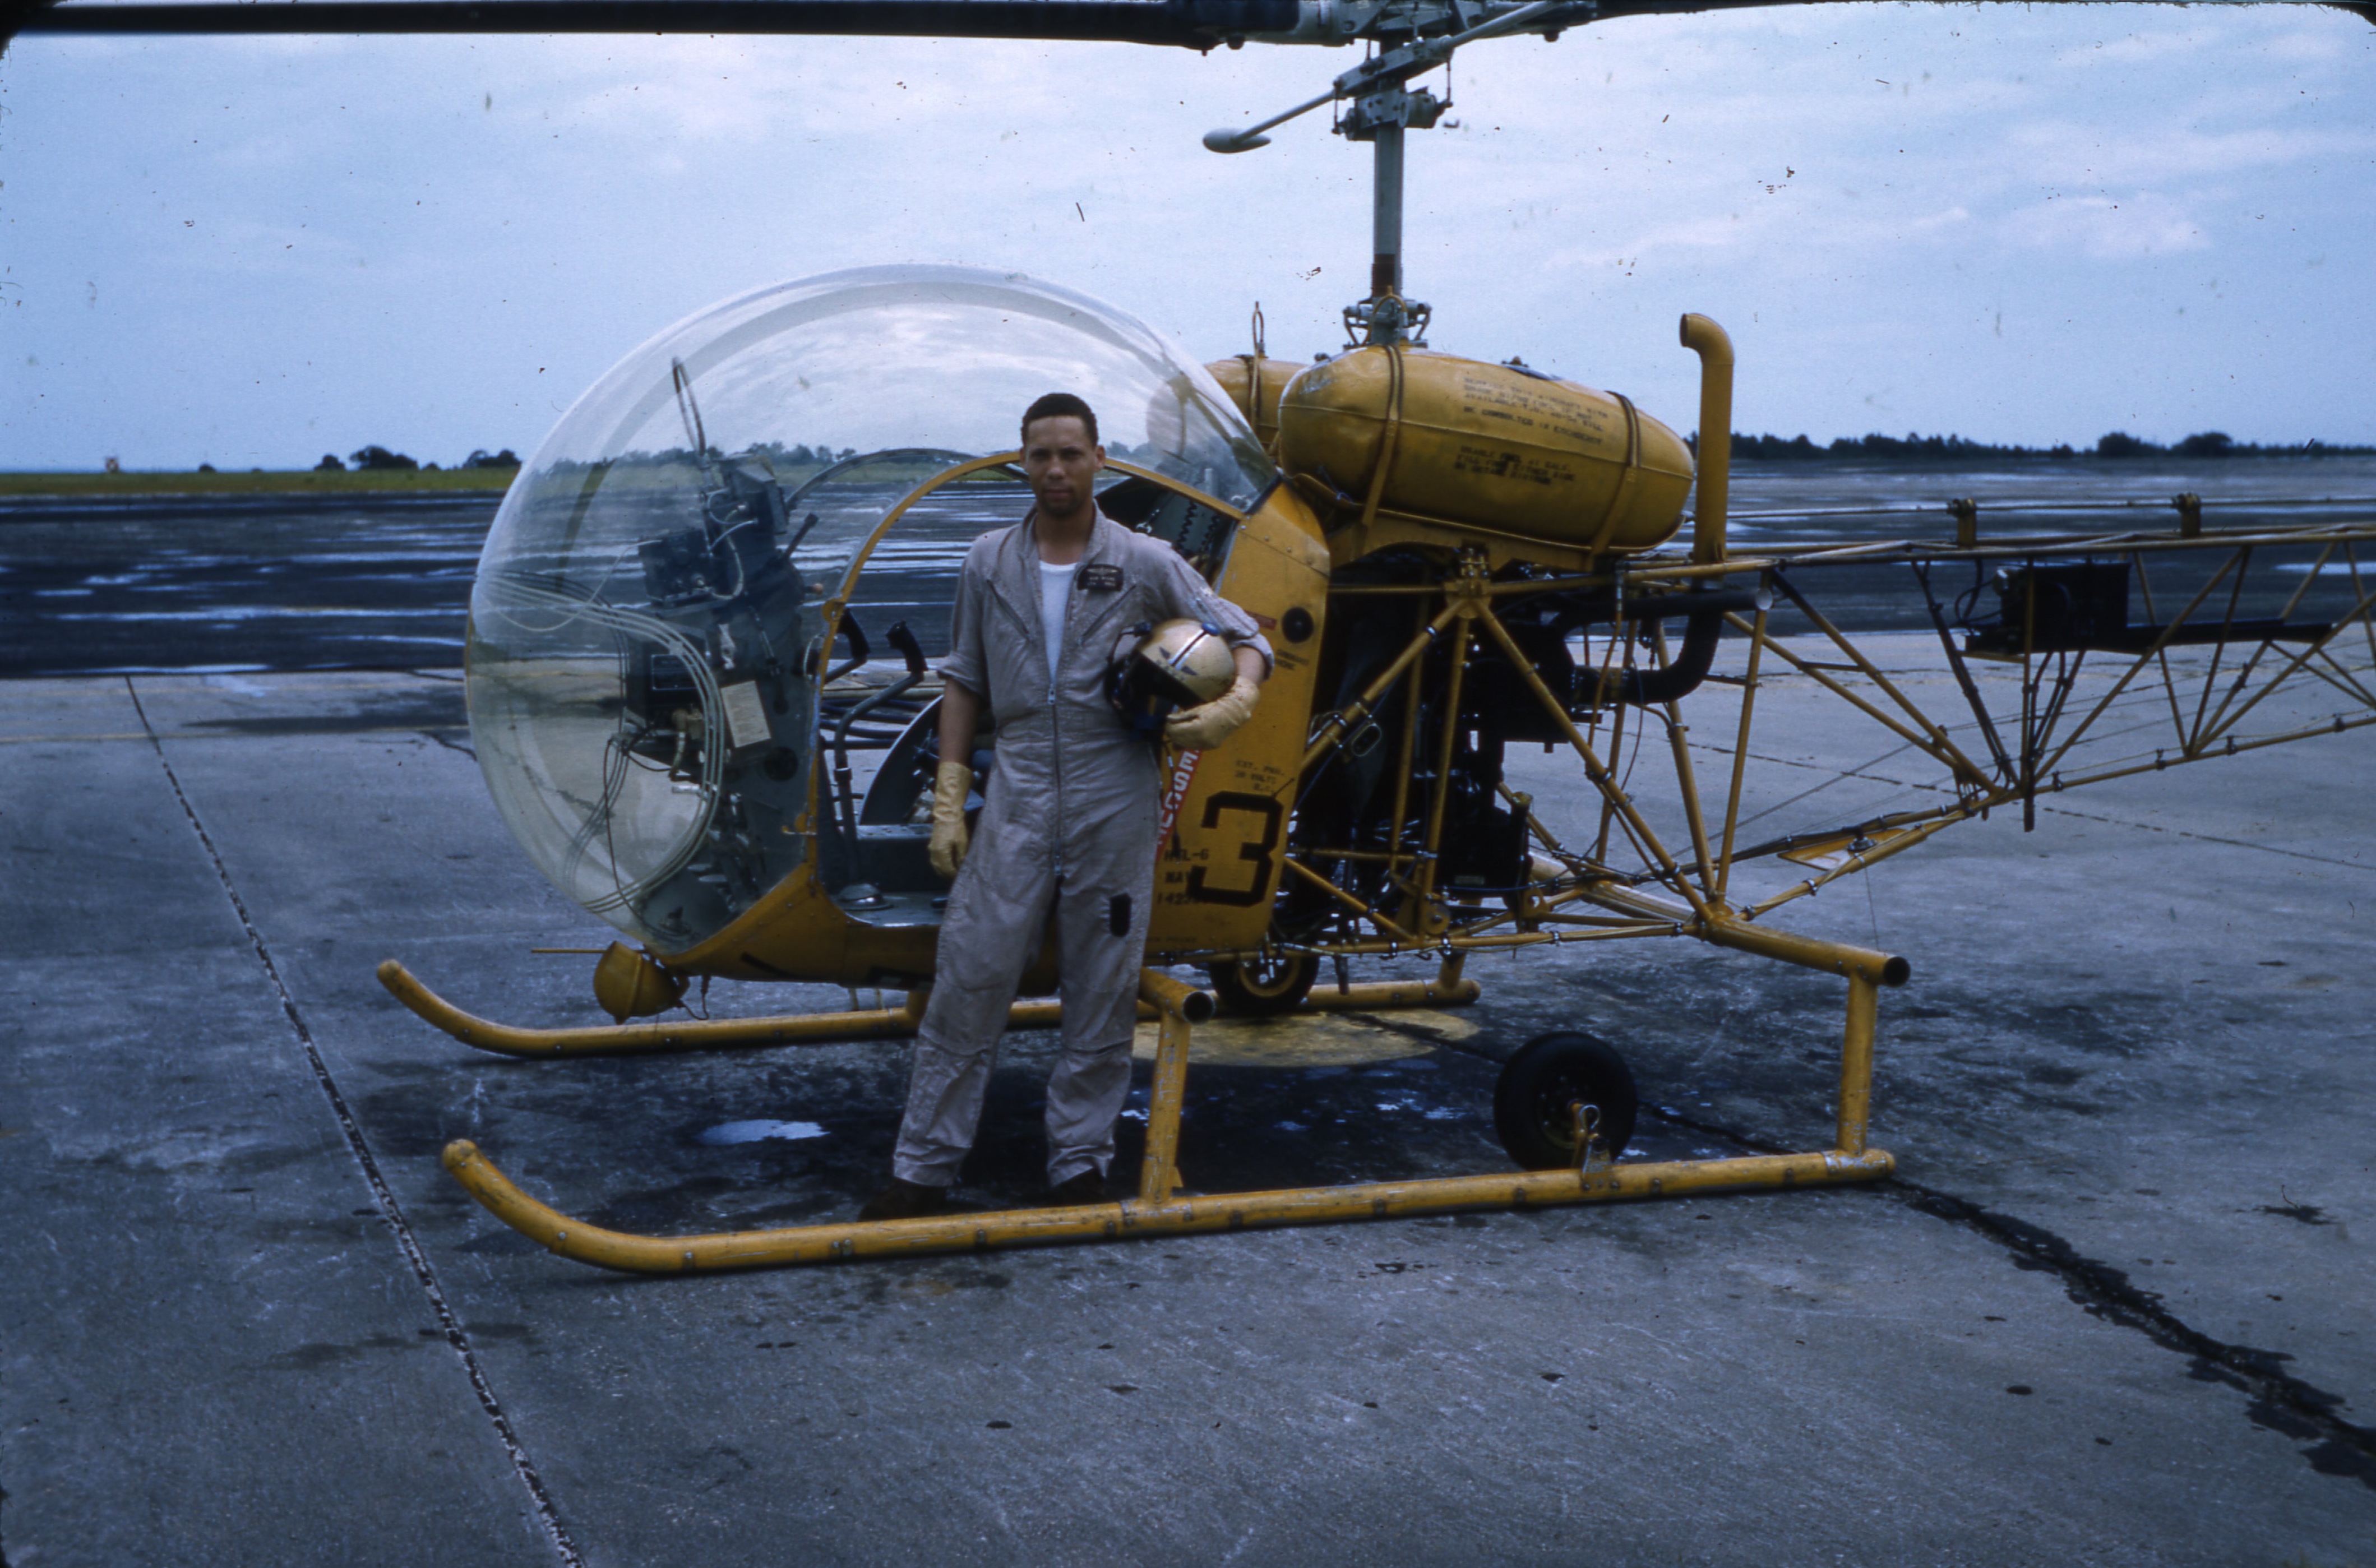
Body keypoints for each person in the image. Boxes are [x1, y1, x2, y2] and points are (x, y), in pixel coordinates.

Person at [859, 393, 1271, 1220]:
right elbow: (964, 677)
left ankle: (1078, 1163)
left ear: (1099, 459)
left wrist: (1238, 699)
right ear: (1022, 460)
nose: (1055, 469)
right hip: (1013, 789)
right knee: (970, 974)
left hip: (1112, 785)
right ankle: (923, 1168)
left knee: (1102, 983)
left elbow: (1245, 635)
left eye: (1070, 454)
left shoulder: (1145, 560)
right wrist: (948, 795)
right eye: (1040, 454)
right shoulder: (987, 560)